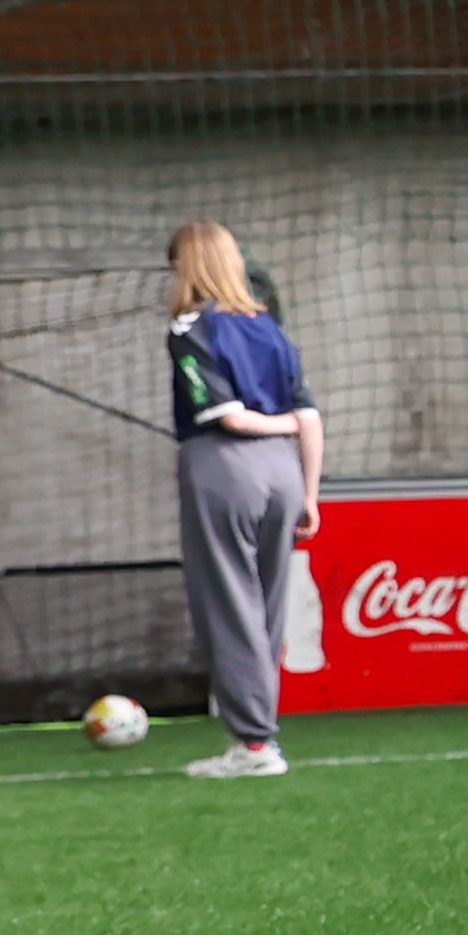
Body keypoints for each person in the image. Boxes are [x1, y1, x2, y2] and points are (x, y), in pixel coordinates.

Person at [163, 221, 323, 780]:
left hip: (224, 465)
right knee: (268, 606)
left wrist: (272, 425)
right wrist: (311, 492)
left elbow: (226, 415)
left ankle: (254, 744)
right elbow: (310, 416)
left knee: (228, 603)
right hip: (284, 471)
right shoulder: (270, 328)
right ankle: (260, 733)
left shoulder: (189, 328)